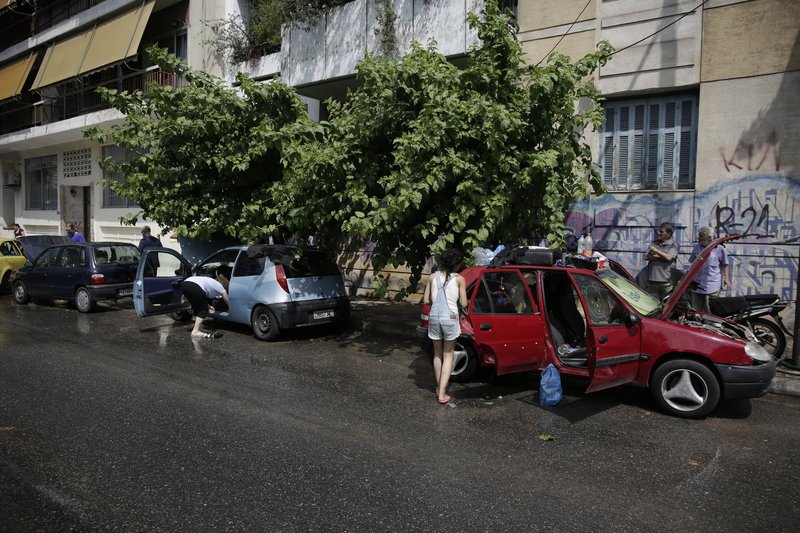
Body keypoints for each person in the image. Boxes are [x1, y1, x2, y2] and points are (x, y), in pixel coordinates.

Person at [422, 248, 468, 405]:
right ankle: (442, 393)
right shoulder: (459, 279)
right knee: (448, 355)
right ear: (456, 265)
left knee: (437, 354)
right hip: (450, 318)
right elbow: (464, 303)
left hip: (434, 317)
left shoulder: (432, 277)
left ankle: (439, 387)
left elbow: (426, 300)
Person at [688, 226, 730, 313]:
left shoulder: (720, 249)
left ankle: (709, 325)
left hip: (711, 285)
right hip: (697, 284)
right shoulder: (696, 248)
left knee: (710, 311)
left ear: (709, 238)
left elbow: (725, 265)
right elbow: (691, 263)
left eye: (701, 236)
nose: (698, 238)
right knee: (696, 311)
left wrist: (726, 279)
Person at [180, 274, 230, 338]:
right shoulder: (220, 285)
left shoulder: (211, 283)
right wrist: (232, 308)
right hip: (194, 286)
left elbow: (201, 298)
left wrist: (208, 306)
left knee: (199, 307)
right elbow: (226, 298)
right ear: (224, 285)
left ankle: (197, 327)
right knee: (203, 309)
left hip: (185, 285)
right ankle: (195, 331)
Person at [645, 222, 679, 300]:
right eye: (659, 231)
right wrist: (663, 255)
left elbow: (669, 258)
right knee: (649, 304)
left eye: (661, 231)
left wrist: (656, 251)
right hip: (651, 282)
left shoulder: (674, 245)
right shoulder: (654, 243)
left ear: (669, 233)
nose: (658, 233)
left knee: (665, 306)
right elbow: (647, 257)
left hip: (667, 283)